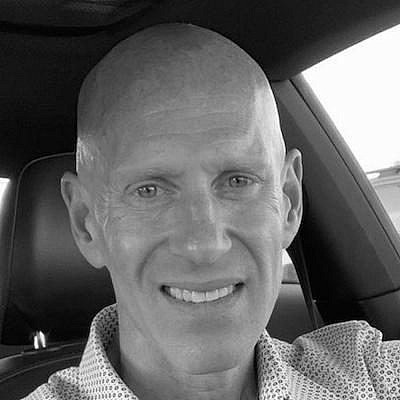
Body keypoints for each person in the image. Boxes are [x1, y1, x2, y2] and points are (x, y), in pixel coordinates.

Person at [25, 23, 400, 400]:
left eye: (238, 181)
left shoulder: (370, 375)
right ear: (86, 222)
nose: (204, 245)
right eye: (149, 191)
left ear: (288, 201)